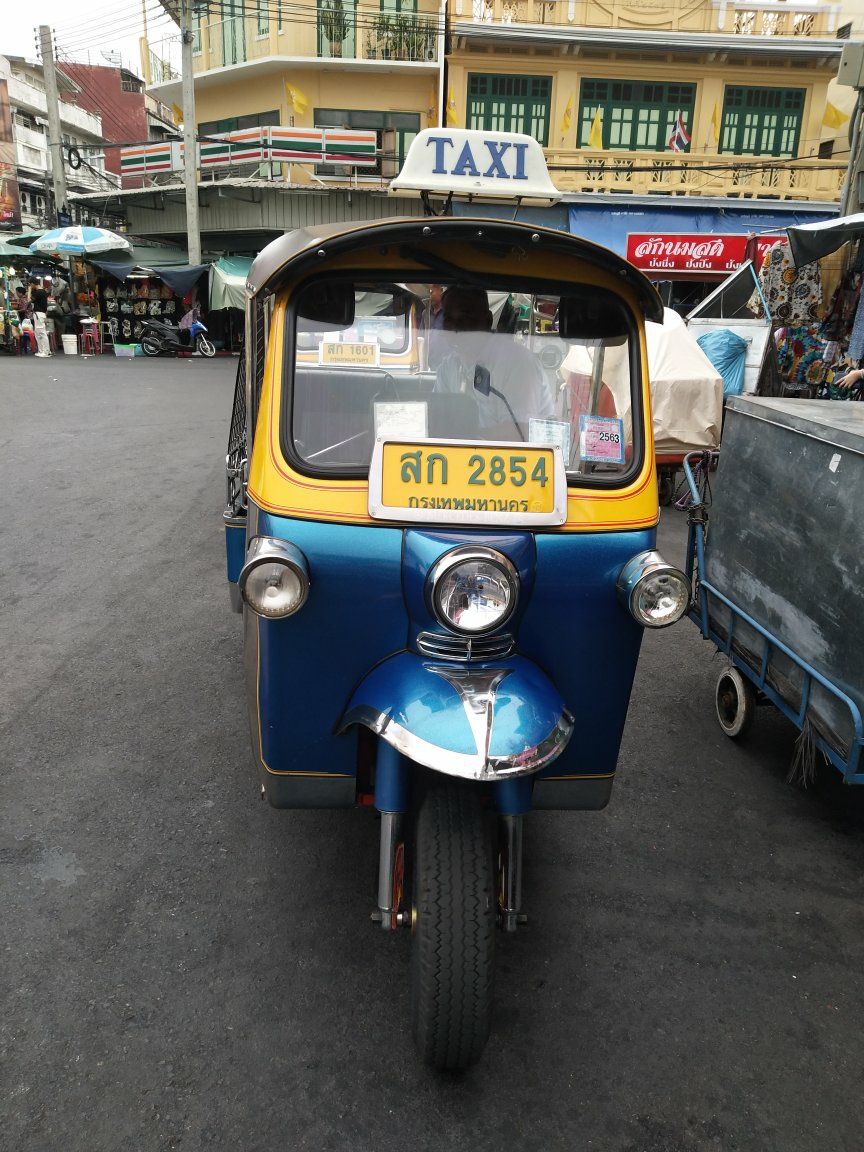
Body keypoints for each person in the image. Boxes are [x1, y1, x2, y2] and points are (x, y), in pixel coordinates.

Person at [436, 286, 554, 438]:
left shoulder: (518, 363)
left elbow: (518, 434)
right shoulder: (449, 366)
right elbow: (437, 418)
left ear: (487, 320)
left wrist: (464, 437)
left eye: (465, 317)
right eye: (448, 318)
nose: (455, 327)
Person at [29, 277, 52, 357]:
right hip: (40, 314)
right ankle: (42, 350)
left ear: (32, 283)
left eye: (30, 284)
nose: (30, 286)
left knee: (41, 332)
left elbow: (29, 300)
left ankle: (46, 351)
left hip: (39, 314)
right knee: (38, 333)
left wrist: (29, 290)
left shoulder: (39, 292)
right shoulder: (42, 291)